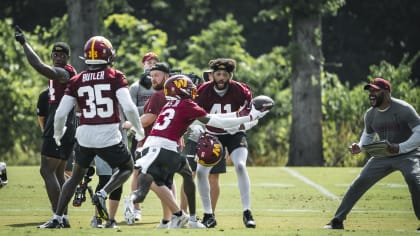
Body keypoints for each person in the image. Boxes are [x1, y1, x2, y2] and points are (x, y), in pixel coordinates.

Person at [128, 74, 268, 229]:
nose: (192, 90)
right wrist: (249, 117)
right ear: (181, 89)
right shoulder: (187, 104)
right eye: (188, 87)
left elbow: (213, 118)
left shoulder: (170, 105)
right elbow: (217, 121)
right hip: (166, 148)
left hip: (159, 146)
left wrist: (242, 116)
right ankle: (183, 217)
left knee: (173, 178)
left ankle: (180, 216)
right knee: (173, 179)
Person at [38, 35, 144, 229]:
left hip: (85, 135)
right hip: (108, 134)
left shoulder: (76, 79)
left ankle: (57, 217)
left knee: (76, 176)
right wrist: (139, 129)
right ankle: (103, 193)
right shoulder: (115, 76)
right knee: (127, 167)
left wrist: (58, 133)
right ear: (109, 56)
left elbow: (61, 112)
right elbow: (128, 108)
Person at [324, 78, 420, 231]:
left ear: (387, 92)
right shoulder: (370, 114)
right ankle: (337, 220)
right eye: (370, 91)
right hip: (383, 155)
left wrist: (401, 147)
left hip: (408, 154)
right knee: (359, 182)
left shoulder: (404, 109)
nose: (371, 94)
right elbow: (368, 135)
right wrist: (360, 146)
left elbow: (419, 132)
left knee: (414, 180)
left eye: (376, 90)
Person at [15, 26, 77, 228]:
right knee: (58, 173)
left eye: (62, 54)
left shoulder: (64, 72)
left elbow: (40, 66)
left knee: (46, 170)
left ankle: (57, 217)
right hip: (62, 121)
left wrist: (25, 44)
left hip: (61, 122)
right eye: (55, 54)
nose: (58, 57)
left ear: (68, 57)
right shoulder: (60, 73)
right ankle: (63, 217)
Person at [195, 58, 259, 228]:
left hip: (234, 133)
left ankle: (247, 212)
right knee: (201, 173)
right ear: (212, 75)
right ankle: (208, 214)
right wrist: (199, 130)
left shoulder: (240, 90)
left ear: (230, 75)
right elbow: (194, 114)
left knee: (240, 165)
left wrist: (247, 123)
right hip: (212, 135)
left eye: (224, 74)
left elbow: (252, 113)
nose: (221, 77)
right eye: (218, 74)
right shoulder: (203, 90)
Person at [127, 52, 159, 221]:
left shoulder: (162, 86)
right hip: (140, 134)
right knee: (137, 171)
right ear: (143, 65)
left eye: (154, 62)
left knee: (163, 173)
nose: (151, 64)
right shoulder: (135, 87)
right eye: (148, 62)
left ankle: (171, 210)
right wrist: (151, 108)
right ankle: (135, 208)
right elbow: (129, 110)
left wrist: (148, 109)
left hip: (160, 133)